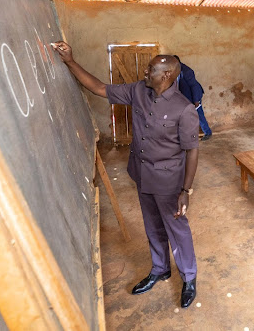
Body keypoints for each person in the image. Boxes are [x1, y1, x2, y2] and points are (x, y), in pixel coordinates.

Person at [52, 42, 200, 308]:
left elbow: (192, 151)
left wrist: (185, 191)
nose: (145, 72)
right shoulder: (137, 90)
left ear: (166, 75)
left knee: (176, 228)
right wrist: (69, 61)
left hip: (168, 181)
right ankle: (160, 268)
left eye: (151, 69)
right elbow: (99, 88)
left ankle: (189, 277)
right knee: (152, 224)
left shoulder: (184, 108)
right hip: (141, 174)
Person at [174, 55, 212, 141]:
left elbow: (194, 86)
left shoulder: (187, 71)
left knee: (199, 114)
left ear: (177, 63)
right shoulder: (174, 70)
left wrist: (196, 101)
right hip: (184, 97)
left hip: (194, 95)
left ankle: (208, 132)